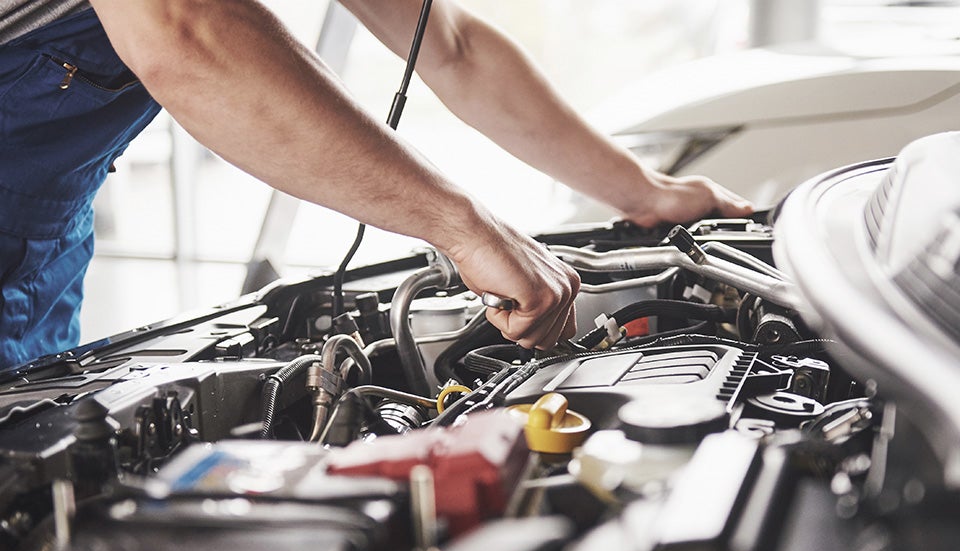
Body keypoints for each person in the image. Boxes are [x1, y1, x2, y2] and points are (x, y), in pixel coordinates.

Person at [0, 0, 752, 369]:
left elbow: (451, 47)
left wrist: (642, 191)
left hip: (40, 244)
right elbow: (186, 32)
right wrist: (465, 229)